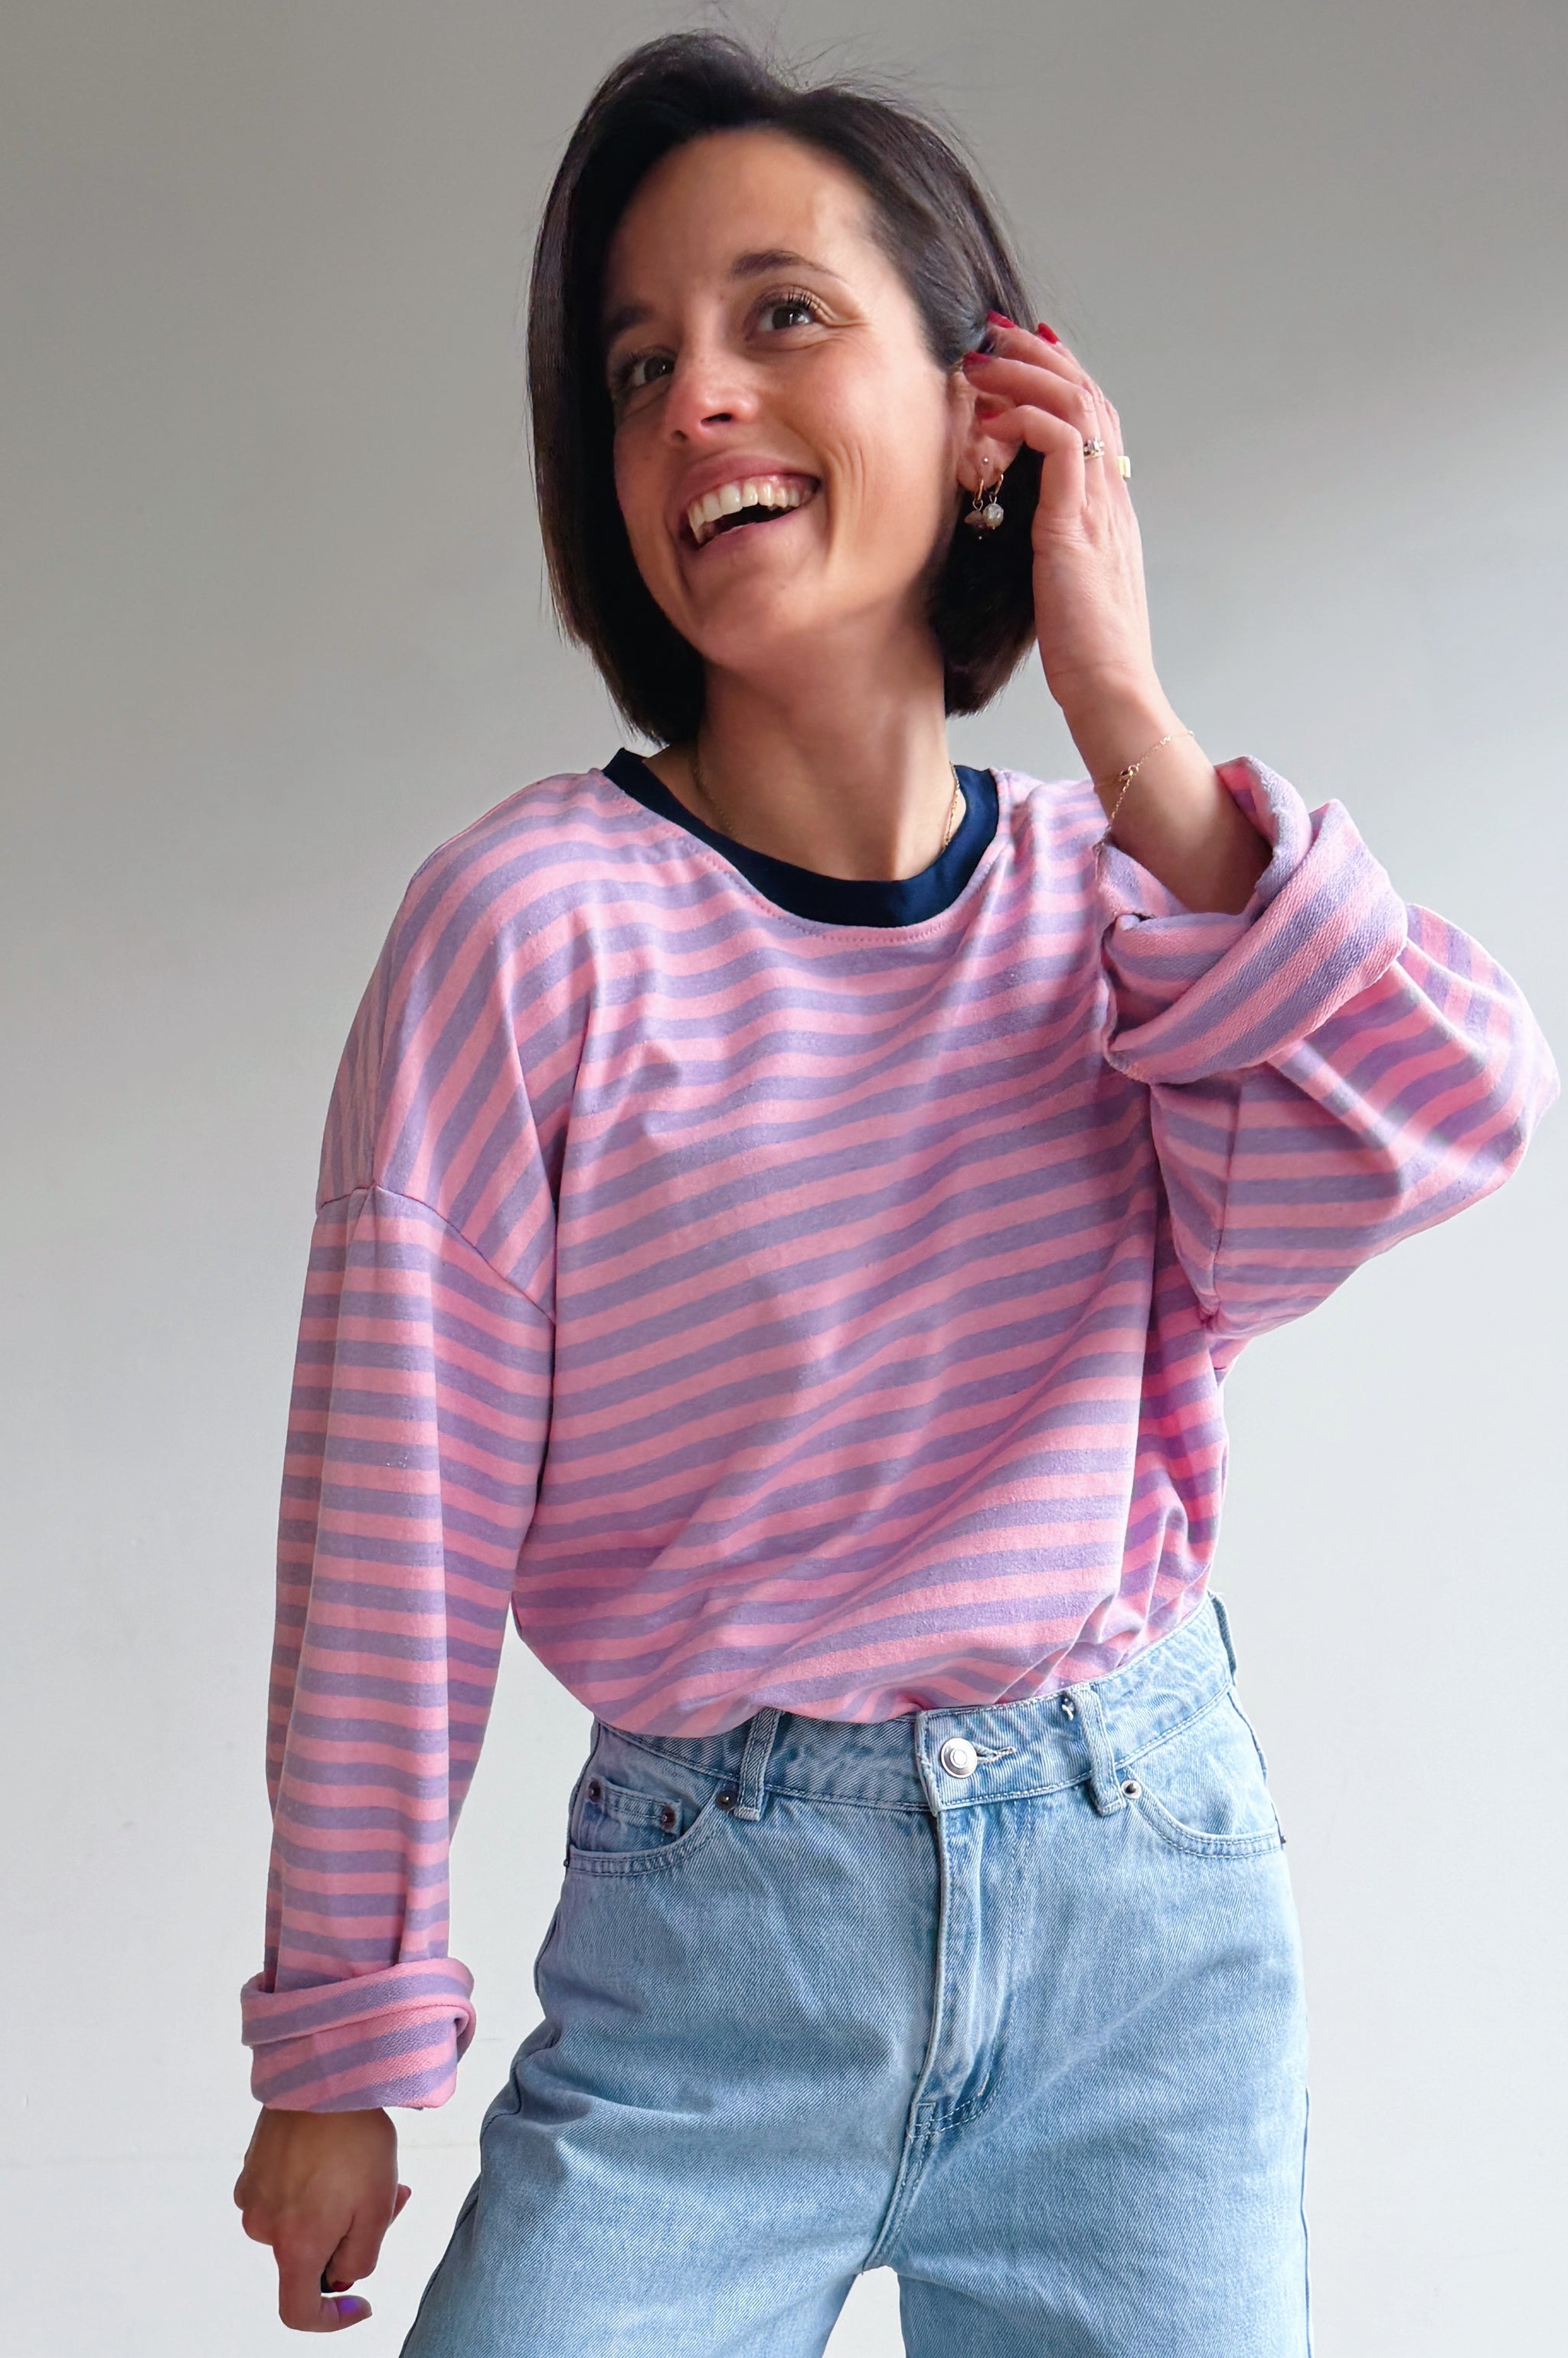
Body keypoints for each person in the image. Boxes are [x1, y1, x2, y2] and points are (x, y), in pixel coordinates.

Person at [230, 30, 1558, 2356]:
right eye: (636, 366)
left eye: (782, 316)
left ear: (989, 419)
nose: (696, 400)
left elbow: (1459, 1110)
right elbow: (391, 1517)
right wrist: (341, 2039)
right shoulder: (530, 931)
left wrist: (1135, 726)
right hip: (704, 1969)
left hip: (1146, 1939)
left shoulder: (1131, 907)